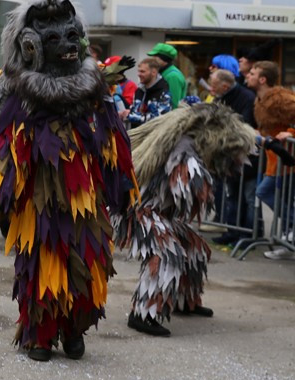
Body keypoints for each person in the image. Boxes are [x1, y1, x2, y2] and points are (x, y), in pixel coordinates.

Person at [0, 0, 136, 362]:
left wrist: (123, 185)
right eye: (54, 40)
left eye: (70, 37)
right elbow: (3, 146)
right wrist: (3, 195)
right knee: (41, 259)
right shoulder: (17, 89)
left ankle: (74, 329)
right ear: (31, 46)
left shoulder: (93, 89)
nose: (66, 46)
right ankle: (39, 333)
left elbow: (113, 139)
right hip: (39, 196)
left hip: (86, 192)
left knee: (88, 258)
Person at [115, 105, 257, 337]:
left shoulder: (193, 144)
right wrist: (203, 185)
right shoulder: (184, 149)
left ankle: (184, 301)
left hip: (159, 213)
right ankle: (143, 313)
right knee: (166, 254)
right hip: (137, 211)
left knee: (194, 248)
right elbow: (185, 185)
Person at [247, 61, 295, 257]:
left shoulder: (282, 98)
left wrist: (291, 132)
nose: (247, 75)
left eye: (252, 73)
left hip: (289, 160)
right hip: (274, 160)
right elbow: (269, 129)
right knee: (279, 197)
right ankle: (287, 241)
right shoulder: (259, 99)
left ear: (262, 79)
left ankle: (290, 230)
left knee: (264, 191)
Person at [204, 69, 259, 243]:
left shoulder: (246, 97)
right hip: (228, 154)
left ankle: (248, 234)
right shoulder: (221, 96)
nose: (211, 89)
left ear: (225, 86)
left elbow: (244, 122)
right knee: (232, 194)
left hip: (246, 154)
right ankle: (232, 232)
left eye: (213, 85)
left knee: (249, 197)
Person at [123, 57, 171, 128]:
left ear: (154, 72)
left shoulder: (163, 92)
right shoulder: (139, 91)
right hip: (136, 135)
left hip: (154, 137)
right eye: (139, 71)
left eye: (142, 72)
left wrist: (133, 116)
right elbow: (133, 111)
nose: (138, 74)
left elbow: (161, 118)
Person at [146, 43, 186, 107]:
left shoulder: (173, 76)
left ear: (164, 58)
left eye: (155, 56)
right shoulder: (163, 72)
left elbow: (173, 104)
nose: (152, 59)